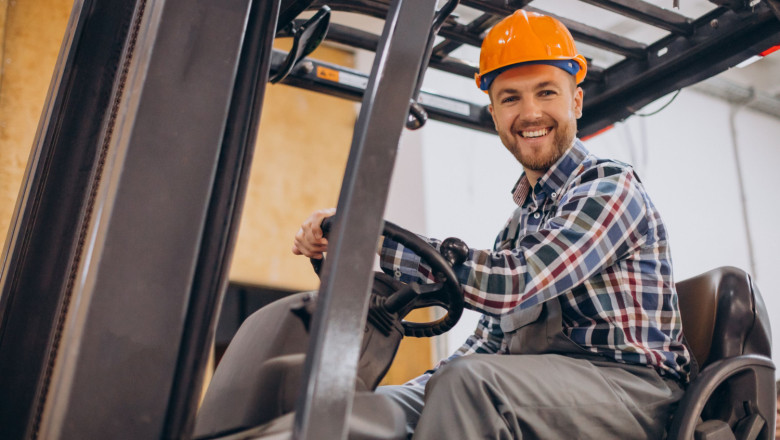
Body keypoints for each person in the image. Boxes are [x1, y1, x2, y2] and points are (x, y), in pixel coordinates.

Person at [293, 10, 691, 439]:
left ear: (575, 100)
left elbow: (514, 284)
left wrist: (368, 237)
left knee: (469, 383)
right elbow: (488, 344)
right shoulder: (516, 230)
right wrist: (387, 404)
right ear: (496, 113)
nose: (530, 112)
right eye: (511, 98)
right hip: (540, 388)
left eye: (545, 93)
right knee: (367, 413)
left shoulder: (608, 188)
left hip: (634, 394)